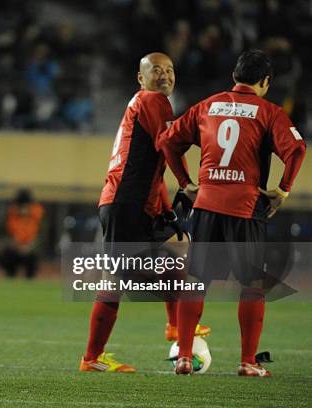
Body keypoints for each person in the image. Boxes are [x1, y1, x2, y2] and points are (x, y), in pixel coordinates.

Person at [160, 50, 306, 377]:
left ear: (234, 75)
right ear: (265, 82)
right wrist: (282, 190)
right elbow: (296, 149)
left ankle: (184, 356)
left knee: (196, 281)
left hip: (207, 203)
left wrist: (185, 183)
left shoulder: (207, 105)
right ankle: (247, 362)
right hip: (245, 205)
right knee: (252, 285)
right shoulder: (269, 112)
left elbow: (167, 140)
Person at [79, 52, 209, 374]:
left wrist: (166, 206)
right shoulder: (153, 100)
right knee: (115, 281)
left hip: (139, 202)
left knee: (178, 245)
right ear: (141, 78)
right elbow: (169, 143)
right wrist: (188, 180)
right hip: (126, 204)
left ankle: (175, 327)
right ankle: (92, 359)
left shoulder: (150, 103)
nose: (164, 76)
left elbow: (153, 162)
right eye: (156, 71)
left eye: (169, 70)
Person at [0, 189, 44, 279]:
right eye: (21, 206)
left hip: (30, 250)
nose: (23, 209)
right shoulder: (10, 216)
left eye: (26, 206)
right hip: (13, 249)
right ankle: (10, 276)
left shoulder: (37, 218)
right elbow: (5, 235)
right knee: (7, 258)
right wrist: (16, 246)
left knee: (33, 260)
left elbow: (40, 236)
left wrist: (29, 246)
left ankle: (30, 279)